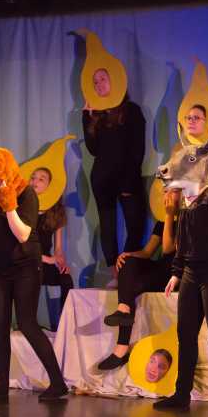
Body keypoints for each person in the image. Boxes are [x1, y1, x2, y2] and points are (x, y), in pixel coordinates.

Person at [0, 147, 68, 402]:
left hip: (26, 266)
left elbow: (23, 234)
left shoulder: (27, 194)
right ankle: (2, 384)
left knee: (27, 323)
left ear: (1, 171)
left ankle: (58, 383)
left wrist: (8, 202)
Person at [155, 154, 208, 416]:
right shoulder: (186, 201)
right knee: (186, 335)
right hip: (191, 275)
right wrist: (176, 272)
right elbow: (183, 240)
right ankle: (182, 394)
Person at [97, 188, 180, 370]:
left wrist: (169, 215)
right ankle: (123, 311)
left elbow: (168, 248)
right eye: (165, 191)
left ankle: (121, 349)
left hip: (177, 275)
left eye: (172, 191)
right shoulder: (162, 220)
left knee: (131, 287)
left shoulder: (187, 218)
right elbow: (148, 251)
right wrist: (128, 255)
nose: (166, 195)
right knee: (127, 263)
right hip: (161, 269)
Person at [82, 68, 147, 288]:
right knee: (107, 226)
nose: (99, 84)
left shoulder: (131, 111)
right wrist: (86, 117)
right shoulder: (97, 115)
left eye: (103, 79)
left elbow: (137, 149)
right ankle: (115, 274)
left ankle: (126, 271)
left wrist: (129, 181)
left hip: (127, 177)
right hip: (103, 179)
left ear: (116, 81)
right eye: (95, 81)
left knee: (135, 225)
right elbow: (93, 149)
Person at [29, 167, 74, 330]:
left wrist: (60, 261)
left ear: (50, 186)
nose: (35, 181)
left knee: (65, 279)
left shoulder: (55, 211)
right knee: (32, 276)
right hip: (26, 261)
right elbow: (22, 246)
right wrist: (48, 260)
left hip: (45, 262)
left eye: (41, 179)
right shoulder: (24, 209)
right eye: (33, 177)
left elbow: (58, 248)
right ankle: (29, 324)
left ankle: (64, 324)